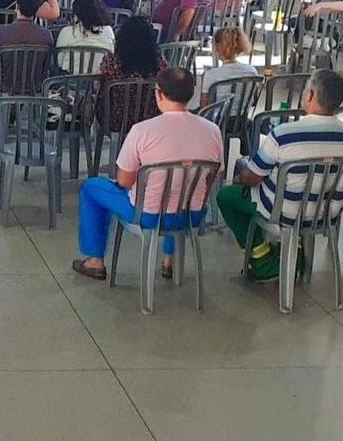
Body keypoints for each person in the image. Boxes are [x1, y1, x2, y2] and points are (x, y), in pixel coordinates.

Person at [71, 67, 223, 281]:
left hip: (149, 215)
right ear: (192, 93)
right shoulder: (212, 130)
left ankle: (95, 260)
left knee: (91, 188)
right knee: (181, 190)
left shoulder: (142, 131)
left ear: (159, 94)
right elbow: (211, 177)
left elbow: (124, 181)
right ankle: (169, 259)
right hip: (192, 215)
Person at [216, 69, 343, 282]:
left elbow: (254, 177)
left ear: (311, 95)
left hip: (284, 213)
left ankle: (262, 259)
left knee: (228, 196)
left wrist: (240, 178)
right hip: (325, 213)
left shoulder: (285, 133)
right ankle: (298, 251)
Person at [0, 0, 54, 120]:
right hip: (35, 84)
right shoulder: (46, 35)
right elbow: (47, 63)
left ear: (17, 7)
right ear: (37, 10)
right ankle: (14, 112)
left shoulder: (1, 32)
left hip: (6, 83)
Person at [97, 16, 165, 132]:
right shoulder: (158, 63)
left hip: (116, 119)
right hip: (150, 119)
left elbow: (100, 85)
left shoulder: (112, 61)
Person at [55, 0, 115, 72]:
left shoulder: (66, 32)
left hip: (69, 82)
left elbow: (59, 62)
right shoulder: (108, 32)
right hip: (98, 81)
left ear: (76, 13)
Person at [201, 28, 258, 102]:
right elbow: (253, 99)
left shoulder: (211, 75)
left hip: (217, 113)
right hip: (243, 113)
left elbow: (204, 105)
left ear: (217, 47)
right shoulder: (252, 71)